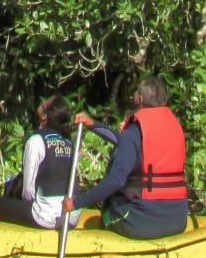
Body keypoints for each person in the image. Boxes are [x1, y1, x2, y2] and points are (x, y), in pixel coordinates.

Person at [62, 75, 189, 240]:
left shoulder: (135, 129)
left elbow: (116, 179)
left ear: (139, 98)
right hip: (178, 219)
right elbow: (127, 143)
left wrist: (76, 202)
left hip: (145, 221)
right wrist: (93, 125)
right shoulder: (174, 123)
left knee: (108, 211)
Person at [0, 94, 117, 230]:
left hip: (46, 216)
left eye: (44, 104)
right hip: (72, 217)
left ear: (45, 116)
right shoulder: (69, 142)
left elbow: (28, 192)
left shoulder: (36, 140)